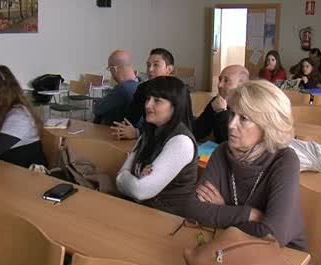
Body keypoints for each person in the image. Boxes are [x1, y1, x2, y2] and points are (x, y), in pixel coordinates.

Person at [186, 80, 306, 251]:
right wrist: (248, 214)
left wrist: (222, 212)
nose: (231, 125)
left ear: (267, 126)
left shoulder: (285, 160)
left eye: (244, 119)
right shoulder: (222, 152)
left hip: (283, 256)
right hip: (229, 247)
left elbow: (272, 235)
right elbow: (193, 209)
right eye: (232, 114)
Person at [116, 76, 196, 217]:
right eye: (148, 99)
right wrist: (131, 179)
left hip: (167, 218)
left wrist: (127, 178)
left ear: (175, 106)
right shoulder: (149, 133)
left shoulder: (181, 142)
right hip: (142, 211)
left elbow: (140, 191)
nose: (148, 105)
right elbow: (121, 178)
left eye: (157, 101)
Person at [111, 48, 175, 140]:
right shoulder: (143, 88)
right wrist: (122, 128)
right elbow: (130, 117)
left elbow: (175, 127)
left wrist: (137, 133)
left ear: (169, 69)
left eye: (156, 65)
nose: (150, 69)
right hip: (148, 140)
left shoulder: (179, 91)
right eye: (148, 65)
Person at [193, 65, 249, 143]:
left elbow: (230, 142)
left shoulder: (249, 108)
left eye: (226, 80)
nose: (219, 85)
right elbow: (196, 132)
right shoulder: (218, 101)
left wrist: (223, 112)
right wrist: (211, 110)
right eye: (220, 79)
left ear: (241, 85)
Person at [93, 50, 140, 125]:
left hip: (111, 132)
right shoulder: (141, 83)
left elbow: (97, 109)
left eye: (110, 69)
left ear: (114, 69)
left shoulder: (122, 89)